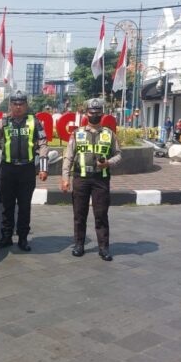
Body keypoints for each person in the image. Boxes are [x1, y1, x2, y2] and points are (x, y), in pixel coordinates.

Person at [60, 98, 122, 261]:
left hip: (100, 181)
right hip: (81, 179)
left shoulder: (109, 134)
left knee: (101, 215)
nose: (94, 115)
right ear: (86, 114)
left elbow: (119, 155)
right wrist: (65, 178)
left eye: (97, 112)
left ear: (102, 114)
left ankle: (104, 248)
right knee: (79, 214)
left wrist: (108, 163)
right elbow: (68, 157)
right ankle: (79, 245)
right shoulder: (76, 134)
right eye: (91, 112)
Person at [0, 90, 49, 251]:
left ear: (26, 105)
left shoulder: (35, 122)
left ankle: (23, 238)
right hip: (7, 169)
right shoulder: (4, 121)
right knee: (7, 206)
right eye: (15, 104)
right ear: (10, 105)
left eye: (21, 104)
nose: (17, 107)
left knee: (24, 206)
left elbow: (43, 144)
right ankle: (6, 237)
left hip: (26, 170)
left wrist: (43, 169)